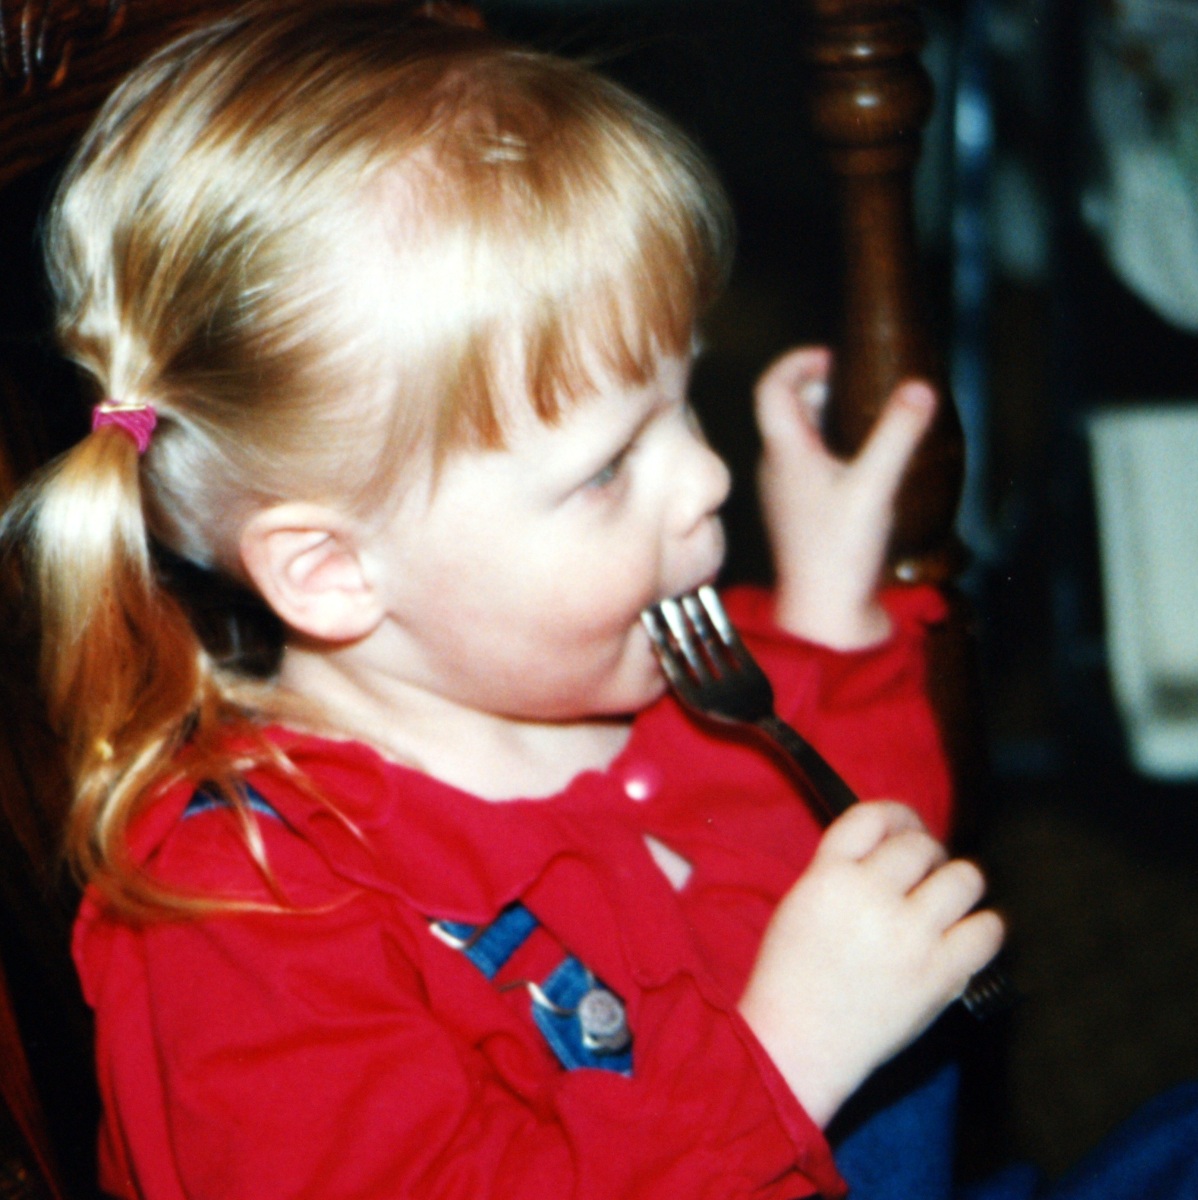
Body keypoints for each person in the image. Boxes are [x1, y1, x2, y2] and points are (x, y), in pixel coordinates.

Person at [0, 2, 1023, 1197]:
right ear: (331, 572)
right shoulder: (245, 917)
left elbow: (871, 853)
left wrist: (829, 613)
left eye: (680, 403)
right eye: (606, 466)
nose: (706, 478)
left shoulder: (610, 656)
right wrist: (783, 1060)